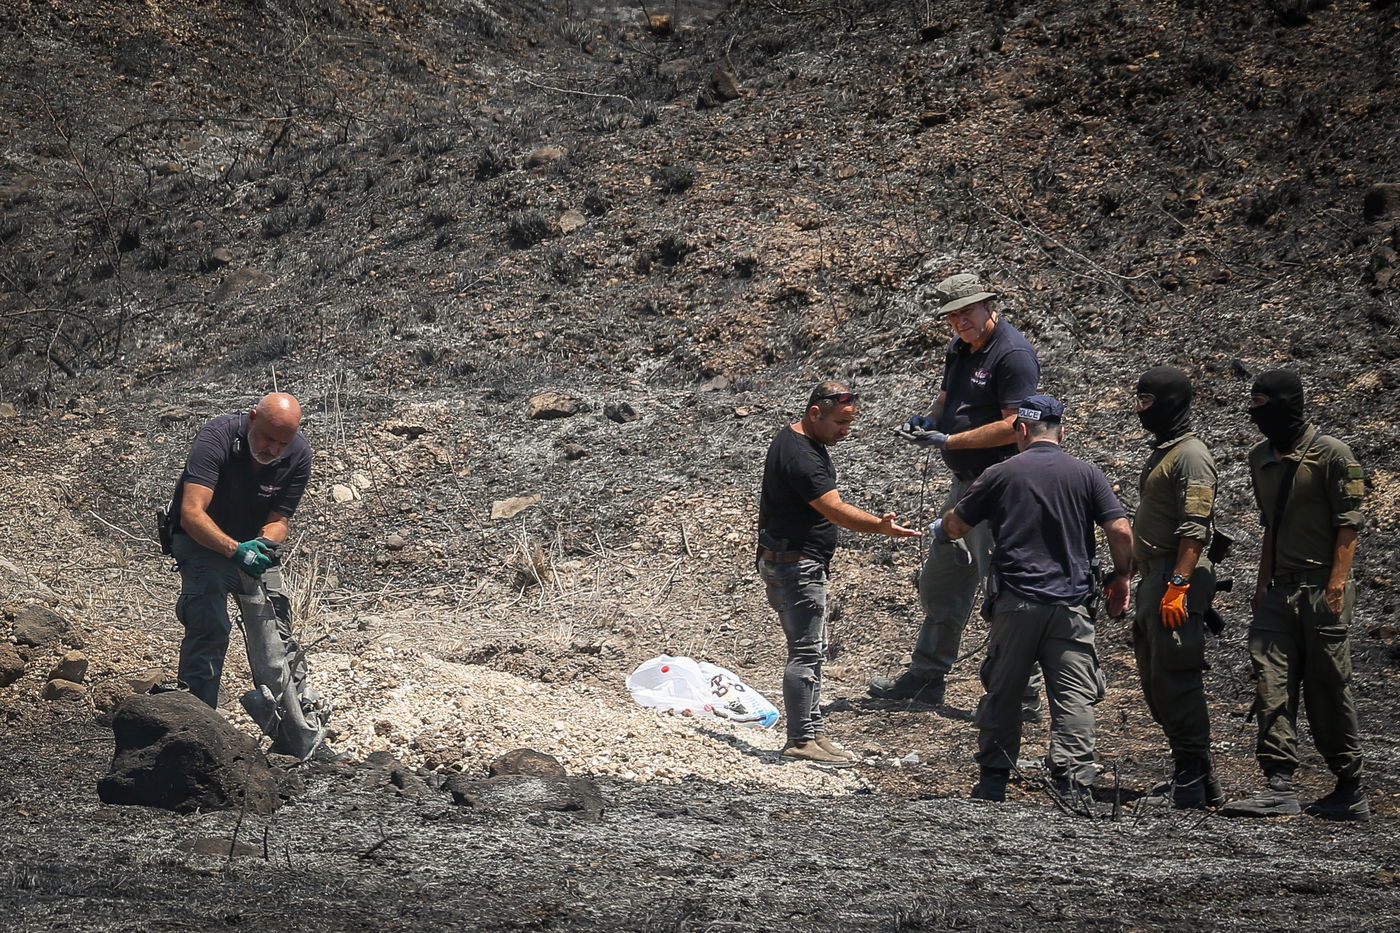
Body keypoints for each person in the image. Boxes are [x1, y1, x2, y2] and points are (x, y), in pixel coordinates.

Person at [935, 395, 1132, 803]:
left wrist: (943, 528)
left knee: (1005, 692)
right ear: (1061, 430)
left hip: (1017, 603)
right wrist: (1123, 576)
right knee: (1073, 695)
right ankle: (1073, 783)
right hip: (1072, 605)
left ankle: (993, 779)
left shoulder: (1000, 474)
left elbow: (957, 525)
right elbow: (1121, 531)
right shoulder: (1088, 475)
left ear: (1021, 430)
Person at [871, 272, 1042, 715]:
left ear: (988, 305)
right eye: (952, 314)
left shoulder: (1013, 353)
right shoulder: (960, 348)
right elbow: (947, 399)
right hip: (967, 485)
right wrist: (927, 421)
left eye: (967, 311)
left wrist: (949, 442)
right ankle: (926, 677)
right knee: (943, 578)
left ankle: (1021, 693)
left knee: (1008, 588)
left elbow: (1014, 424)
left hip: (1003, 486)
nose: (960, 321)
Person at [1222, 370, 1369, 821]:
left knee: (1328, 687)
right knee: (1271, 684)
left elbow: (1349, 524)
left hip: (1321, 589)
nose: (1255, 411)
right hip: (1279, 592)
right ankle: (1278, 782)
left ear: (1288, 402)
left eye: (1263, 401)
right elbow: (1272, 524)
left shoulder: (1333, 455)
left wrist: (1336, 586)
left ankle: (1349, 785)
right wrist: (1263, 583)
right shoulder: (1259, 457)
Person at [166, 393, 340, 762]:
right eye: (266, 439)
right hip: (204, 542)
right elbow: (191, 514)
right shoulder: (216, 437)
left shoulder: (298, 454)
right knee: (210, 624)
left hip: (252, 547)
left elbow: (279, 519)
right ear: (251, 419)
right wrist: (235, 550)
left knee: (277, 636)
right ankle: (198, 731)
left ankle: (296, 734)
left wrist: (262, 546)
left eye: (282, 443)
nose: (273, 449)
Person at [757, 382, 921, 766]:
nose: (846, 430)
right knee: (804, 651)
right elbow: (834, 509)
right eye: (840, 422)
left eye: (850, 422)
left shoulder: (799, 440)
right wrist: (879, 527)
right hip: (795, 564)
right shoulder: (802, 457)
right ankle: (799, 740)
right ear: (815, 413)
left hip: (793, 559)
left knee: (814, 648)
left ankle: (812, 731)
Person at [1128, 367, 1223, 809]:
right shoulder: (1166, 451)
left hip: (1173, 575)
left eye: (1146, 401)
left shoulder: (1191, 455)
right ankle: (1196, 775)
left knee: (1176, 677)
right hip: (1154, 574)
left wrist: (1179, 584)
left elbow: (1196, 525)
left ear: (1168, 401)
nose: (1139, 410)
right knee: (1154, 677)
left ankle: (1191, 777)